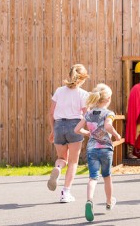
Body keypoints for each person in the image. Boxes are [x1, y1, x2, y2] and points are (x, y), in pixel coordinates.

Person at [74, 83, 122, 222]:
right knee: (107, 176)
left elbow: (76, 130)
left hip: (92, 149)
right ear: (107, 99)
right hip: (106, 149)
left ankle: (89, 200)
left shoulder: (88, 113)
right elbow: (108, 125)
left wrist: (89, 133)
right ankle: (108, 202)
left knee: (93, 177)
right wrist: (116, 134)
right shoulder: (109, 113)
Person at [47, 64, 89, 203]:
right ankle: (65, 193)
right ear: (82, 78)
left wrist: (53, 129)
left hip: (59, 125)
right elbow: (86, 115)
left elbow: (51, 113)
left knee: (62, 158)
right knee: (73, 162)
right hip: (74, 125)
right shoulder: (83, 94)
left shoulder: (59, 91)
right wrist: (85, 130)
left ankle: (58, 168)